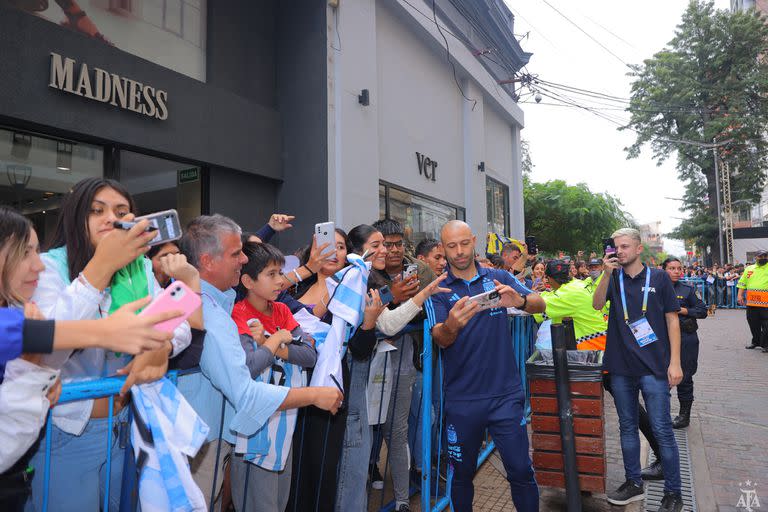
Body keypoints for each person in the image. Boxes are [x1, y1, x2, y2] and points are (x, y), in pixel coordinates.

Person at [28, 178, 193, 512]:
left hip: (125, 426)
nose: (111, 219)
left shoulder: (139, 267)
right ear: (76, 217)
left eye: (121, 211)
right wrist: (99, 270)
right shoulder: (48, 268)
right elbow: (47, 346)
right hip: (67, 432)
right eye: (97, 211)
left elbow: (180, 322)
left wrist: (159, 349)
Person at [175, 214, 342, 508]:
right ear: (208, 261)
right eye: (236, 253)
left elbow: (306, 351)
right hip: (199, 441)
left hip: (213, 438)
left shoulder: (217, 303)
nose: (243, 260)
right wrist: (314, 395)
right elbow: (246, 391)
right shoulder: (209, 313)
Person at [427, 221, 544, 512]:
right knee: (461, 474)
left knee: (521, 470)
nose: (459, 252)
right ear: (443, 248)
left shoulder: (498, 276)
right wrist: (452, 325)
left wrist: (520, 300)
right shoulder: (437, 289)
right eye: (451, 246)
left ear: (474, 240)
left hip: (505, 395)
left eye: (464, 243)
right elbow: (439, 338)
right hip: (462, 400)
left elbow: (540, 304)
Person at [592, 228, 683, 512]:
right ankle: (633, 482)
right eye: (616, 247)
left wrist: (675, 362)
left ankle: (674, 492)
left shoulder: (658, 278)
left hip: (654, 367)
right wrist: (605, 274)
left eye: (625, 246)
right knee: (627, 427)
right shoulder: (613, 276)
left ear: (639, 248)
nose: (620, 251)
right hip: (620, 367)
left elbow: (672, 321)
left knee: (662, 429)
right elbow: (596, 305)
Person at [229, 242, 318, 512]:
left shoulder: (281, 310)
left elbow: (310, 354)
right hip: (255, 426)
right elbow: (251, 366)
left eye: (280, 272)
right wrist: (280, 338)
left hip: (283, 422)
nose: (281, 280)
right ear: (248, 281)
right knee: (259, 501)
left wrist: (271, 343)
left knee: (280, 499)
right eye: (272, 274)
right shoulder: (239, 314)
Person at [368, 218, 435, 512]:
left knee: (400, 427)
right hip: (369, 363)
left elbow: (431, 309)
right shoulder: (366, 275)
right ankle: (370, 472)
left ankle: (404, 498)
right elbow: (378, 322)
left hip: (409, 358)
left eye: (397, 244)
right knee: (369, 428)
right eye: (384, 244)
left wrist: (410, 304)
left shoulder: (419, 270)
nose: (392, 250)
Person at [334, 224, 388, 512]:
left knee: (358, 455)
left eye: (385, 244)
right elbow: (358, 346)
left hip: (356, 383)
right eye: (376, 244)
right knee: (353, 461)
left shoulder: (366, 279)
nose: (384, 250)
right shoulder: (350, 281)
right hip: (346, 385)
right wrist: (370, 322)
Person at [661, 257, 707, 433]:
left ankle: (684, 415)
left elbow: (702, 310)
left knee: (685, 377)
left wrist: (683, 310)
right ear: (663, 270)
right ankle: (661, 414)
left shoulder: (687, 289)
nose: (676, 271)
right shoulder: (655, 289)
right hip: (663, 340)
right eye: (672, 268)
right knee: (660, 378)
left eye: (679, 268)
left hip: (686, 339)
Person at [533, 260, 607, 350]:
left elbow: (536, 310)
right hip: (598, 342)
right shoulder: (576, 285)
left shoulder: (566, 293)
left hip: (592, 346)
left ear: (549, 279)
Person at [737, 249, 768, 352]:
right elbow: (742, 283)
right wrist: (740, 295)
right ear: (756, 258)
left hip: (766, 303)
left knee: (766, 325)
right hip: (752, 302)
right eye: (761, 256)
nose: (763, 258)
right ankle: (756, 342)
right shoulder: (749, 269)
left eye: (765, 256)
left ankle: (766, 344)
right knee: (753, 323)